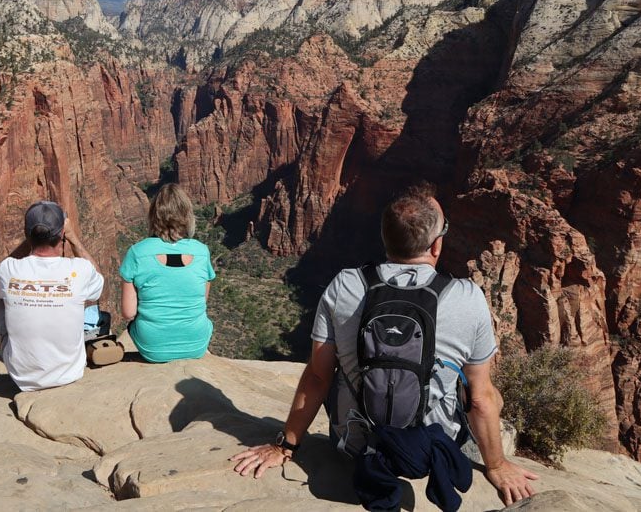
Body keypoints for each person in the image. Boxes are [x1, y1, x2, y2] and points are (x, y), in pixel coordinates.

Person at [230, 186, 538, 508]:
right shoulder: (467, 296)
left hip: (356, 445)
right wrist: (497, 466)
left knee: (337, 367)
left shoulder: (345, 284)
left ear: (385, 238)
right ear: (436, 245)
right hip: (432, 449)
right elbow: (480, 398)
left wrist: (285, 446)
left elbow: (317, 379)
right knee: (483, 388)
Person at [0, 200, 104, 391]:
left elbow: (0, 283)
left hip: (22, 376)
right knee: (80, 297)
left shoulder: (8, 269)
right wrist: (71, 236)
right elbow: (98, 282)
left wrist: (30, 239)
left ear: (27, 234)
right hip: (70, 374)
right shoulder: (79, 269)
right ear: (61, 232)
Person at [119, 183, 215, 362]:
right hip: (196, 345)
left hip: (153, 349)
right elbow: (202, 300)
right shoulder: (202, 251)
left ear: (153, 216)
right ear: (188, 216)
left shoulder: (137, 252)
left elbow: (128, 313)